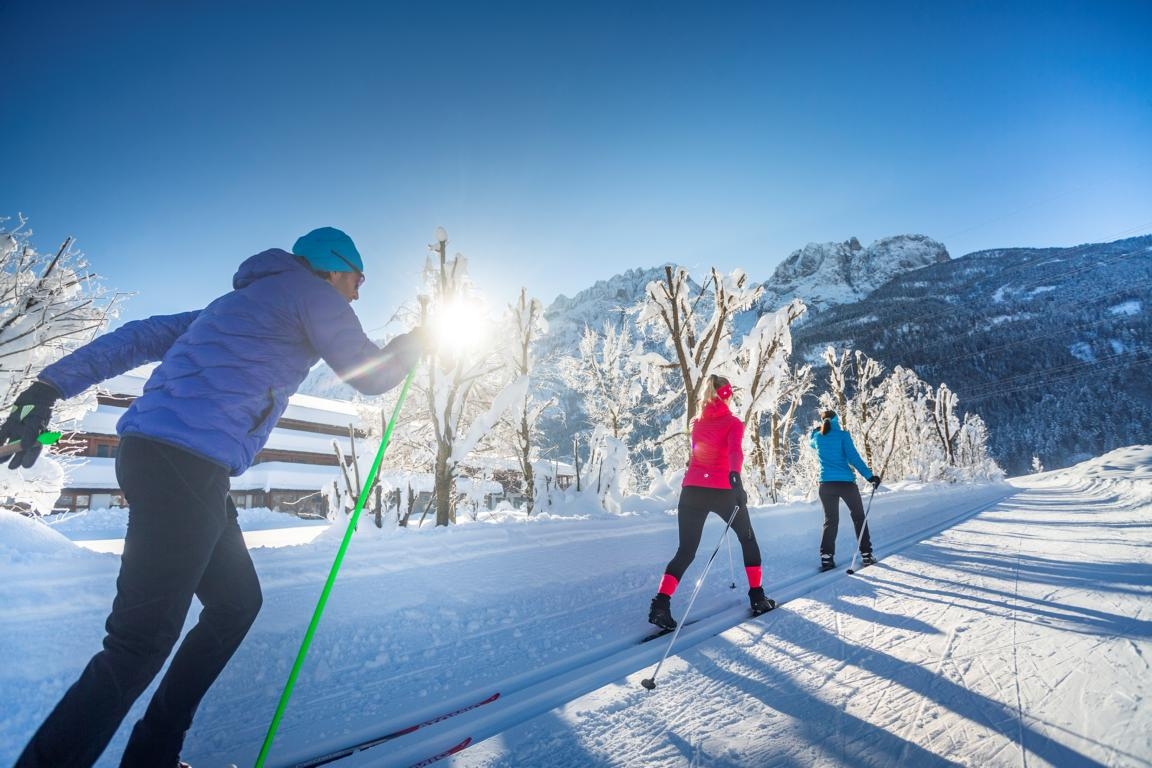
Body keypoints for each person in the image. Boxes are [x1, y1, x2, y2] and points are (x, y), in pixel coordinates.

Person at [2, 227, 427, 768]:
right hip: (186, 463)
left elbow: (136, 336)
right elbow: (371, 376)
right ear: (331, 266)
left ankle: (154, 754)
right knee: (138, 643)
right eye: (357, 278)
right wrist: (411, 347)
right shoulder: (312, 294)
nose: (359, 293)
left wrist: (47, 387)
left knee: (235, 604)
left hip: (166, 461)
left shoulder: (235, 305)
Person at [648, 374, 775, 631]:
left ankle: (660, 604)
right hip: (722, 490)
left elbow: (698, 453)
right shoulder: (733, 424)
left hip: (691, 490)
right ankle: (758, 597)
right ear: (728, 395)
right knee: (747, 539)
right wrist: (736, 483)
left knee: (685, 552)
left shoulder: (697, 423)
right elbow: (734, 453)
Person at [808, 409, 881, 572]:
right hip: (846, 484)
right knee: (858, 517)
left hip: (826, 485)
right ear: (836, 420)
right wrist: (870, 477)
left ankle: (826, 558)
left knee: (830, 521)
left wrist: (813, 433)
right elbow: (854, 457)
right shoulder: (843, 435)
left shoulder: (818, 437)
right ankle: (866, 555)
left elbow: (810, 443)